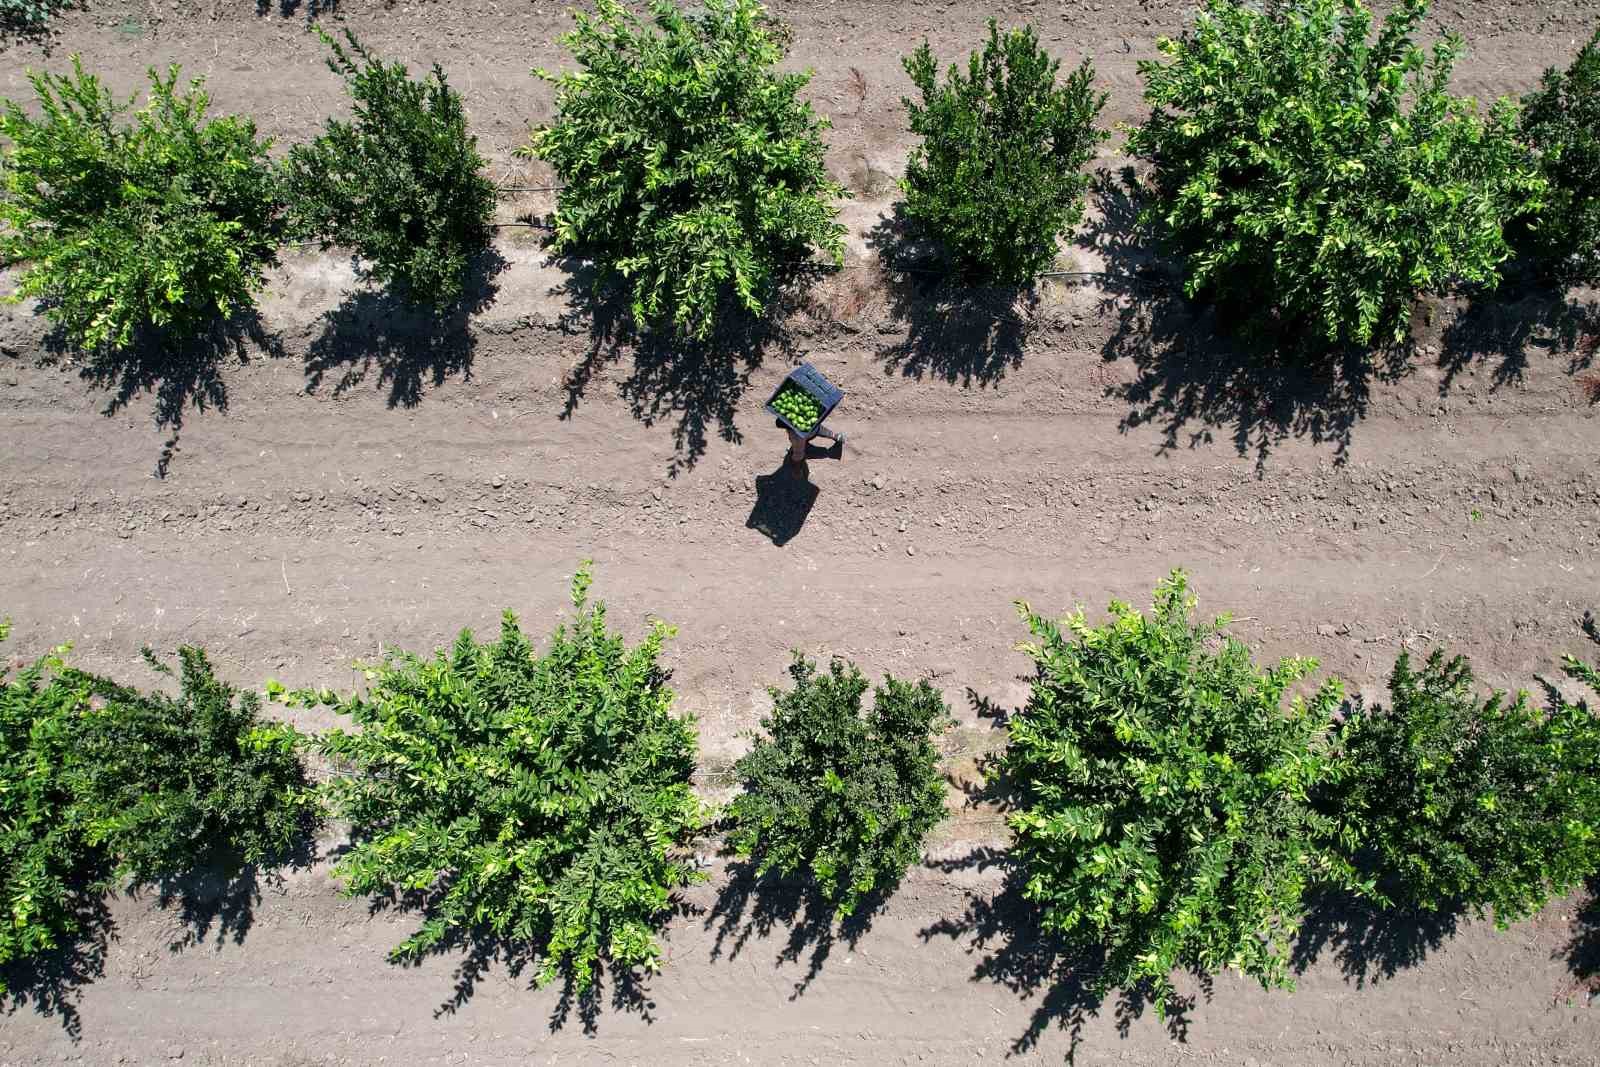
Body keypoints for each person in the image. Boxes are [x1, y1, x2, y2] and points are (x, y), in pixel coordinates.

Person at [779, 418, 844, 465]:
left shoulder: (795, 436)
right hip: (813, 426)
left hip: (803, 434)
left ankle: (831, 453)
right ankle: (836, 436)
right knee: (816, 427)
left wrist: (796, 466)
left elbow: (798, 455)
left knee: (801, 452)